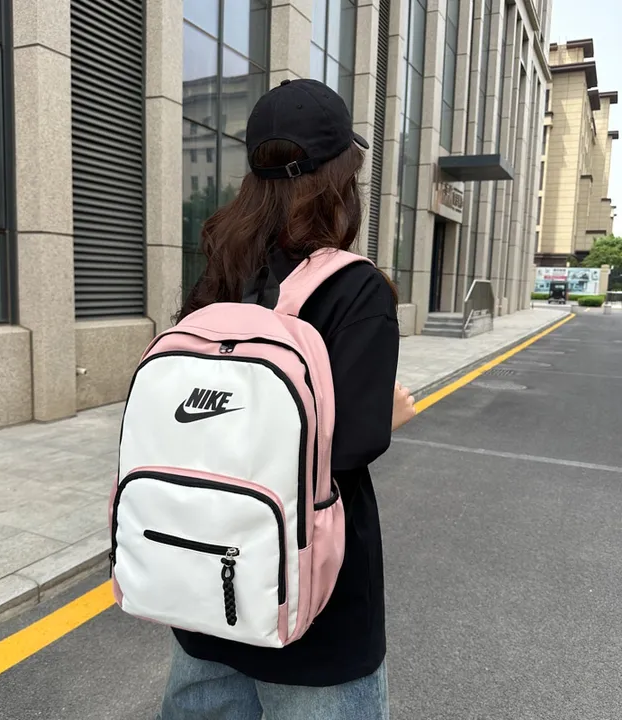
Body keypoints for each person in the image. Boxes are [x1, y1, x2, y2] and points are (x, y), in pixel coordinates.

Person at [158, 79, 415, 720]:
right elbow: (348, 446)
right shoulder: (355, 288)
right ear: (341, 178)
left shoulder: (220, 274)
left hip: (207, 593)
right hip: (313, 611)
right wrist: (385, 414)